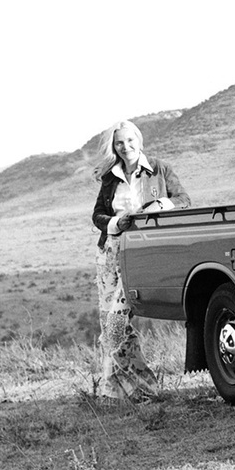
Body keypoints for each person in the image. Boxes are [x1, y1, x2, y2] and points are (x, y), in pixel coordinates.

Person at [90, 120, 191, 400]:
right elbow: (97, 215)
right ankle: (116, 389)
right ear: (114, 147)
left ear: (139, 141)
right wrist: (115, 223)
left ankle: (143, 387)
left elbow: (184, 199)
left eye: (130, 141)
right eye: (119, 143)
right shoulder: (110, 177)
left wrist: (161, 205)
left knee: (116, 321)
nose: (126, 147)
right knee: (109, 324)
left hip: (141, 251)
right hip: (110, 252)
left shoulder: (159, 169)